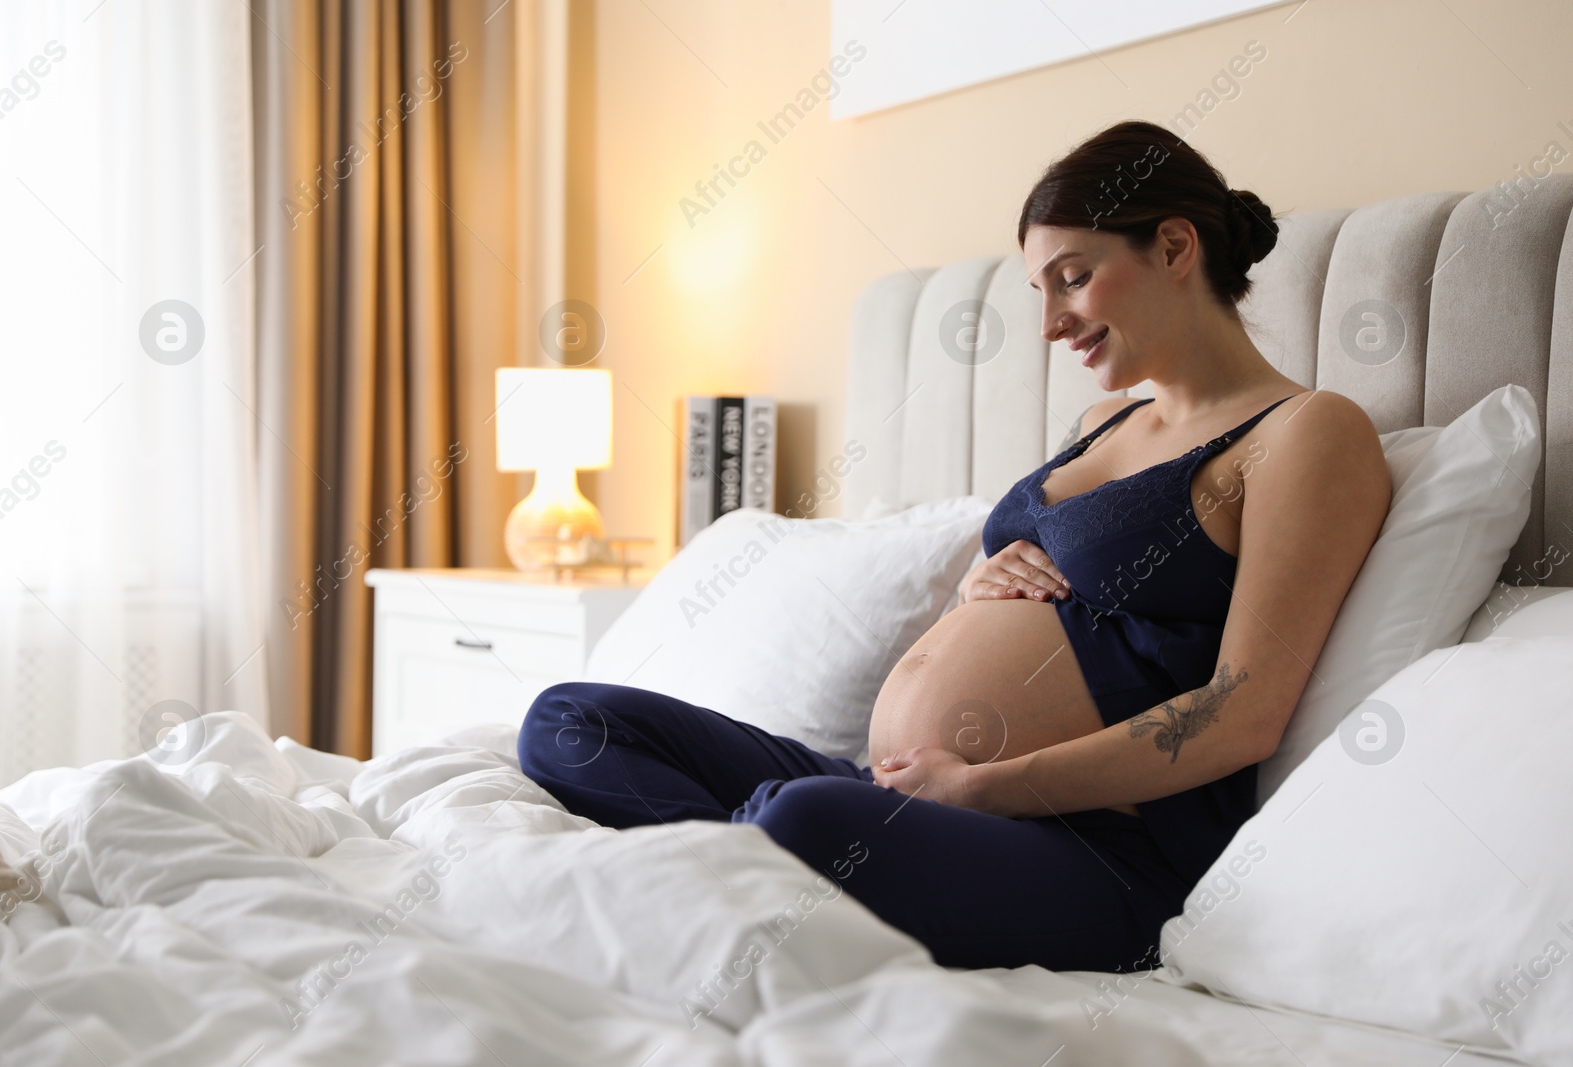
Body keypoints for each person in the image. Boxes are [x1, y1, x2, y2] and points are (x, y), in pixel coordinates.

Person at [517, 120, 1391, 974]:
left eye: (1072, 278)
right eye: (1038, 291)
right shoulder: (1100, 425)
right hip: (900, 786)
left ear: (1171, 246)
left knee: (802, 823)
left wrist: (980, 787)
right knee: (568, 722)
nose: (1051, 323)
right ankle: (737, 867)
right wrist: (983, 580)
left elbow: (1244, 713)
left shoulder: (1306, 433)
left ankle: (733, 865)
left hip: (1099, 849)